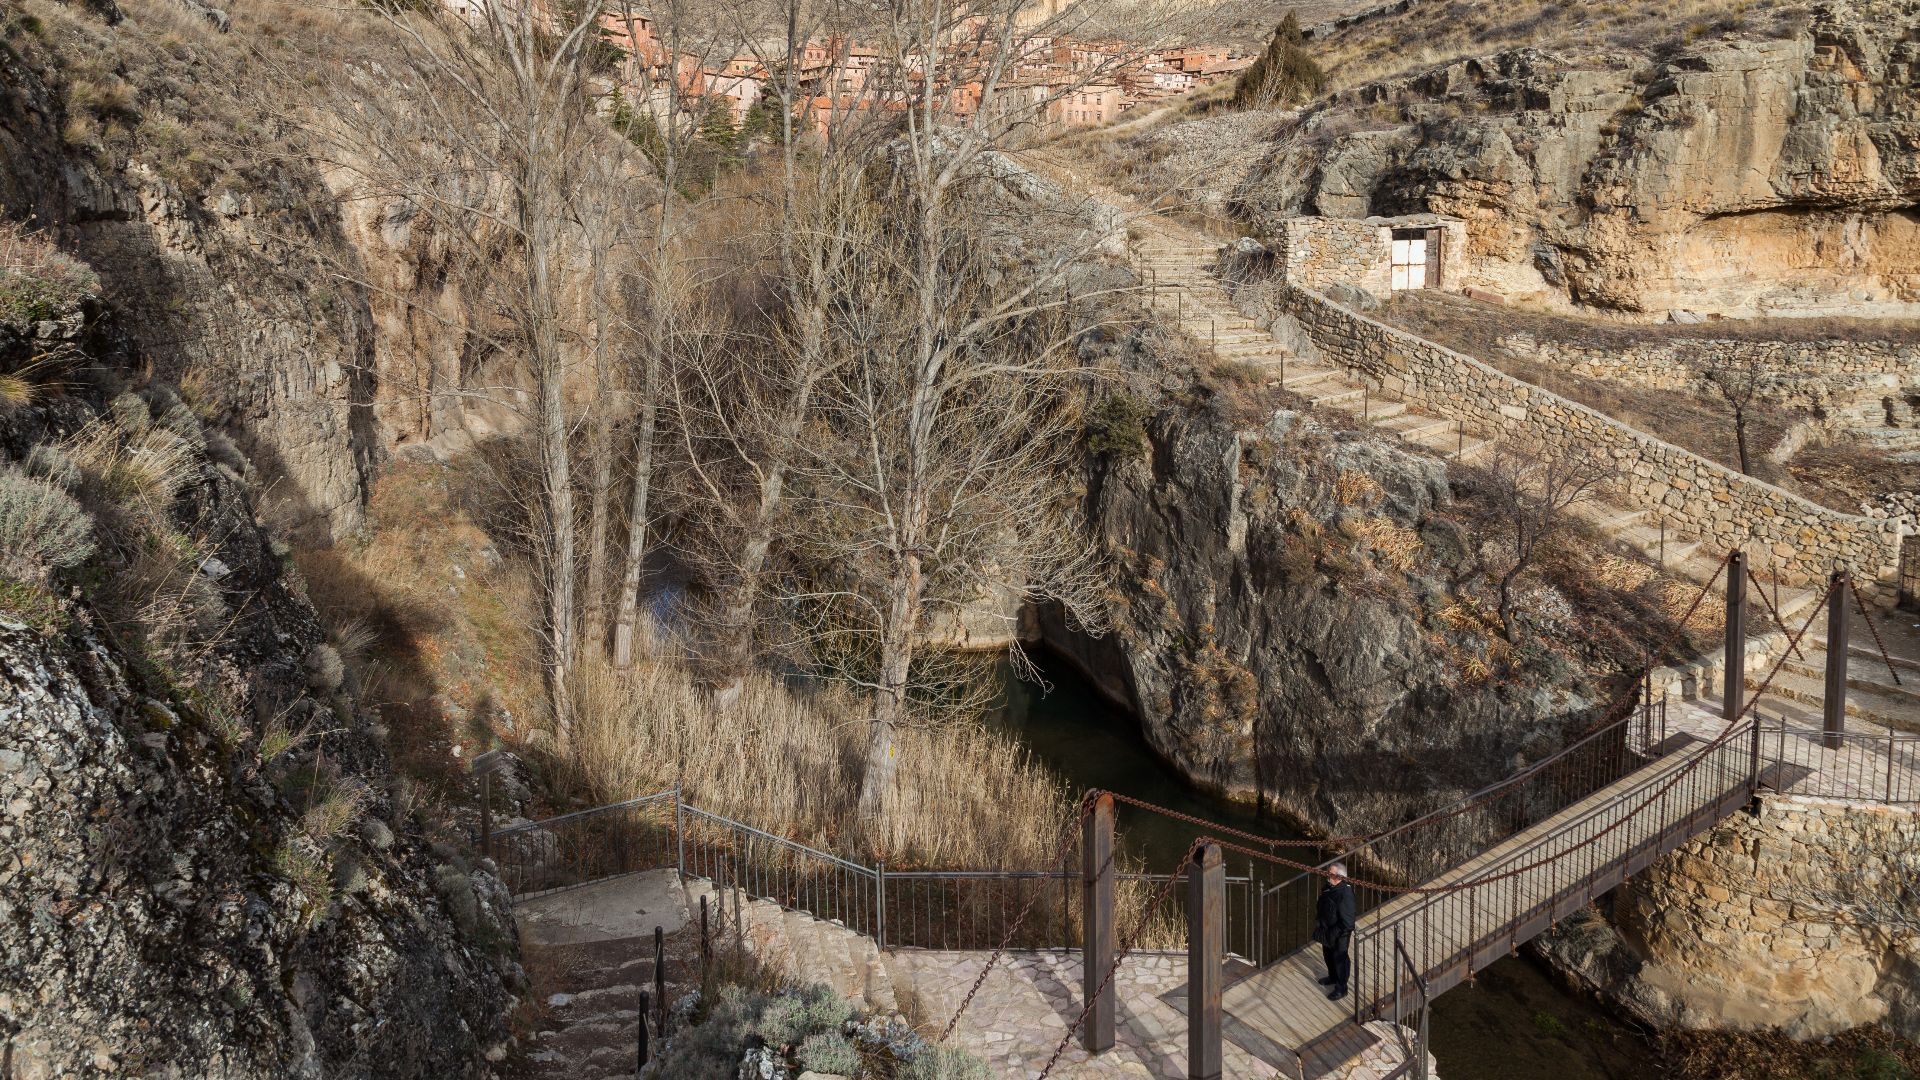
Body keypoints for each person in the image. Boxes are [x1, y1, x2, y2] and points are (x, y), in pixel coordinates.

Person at [1312, 862, 1356, 1001]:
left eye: (1331, 874)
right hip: (1327, 928)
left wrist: (1334, 933)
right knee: (1328, 955)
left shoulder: (1345, 894)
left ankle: (1341, 988)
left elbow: (1348, 922)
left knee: (1340, 958)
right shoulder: (1329, 887)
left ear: (1340, 877)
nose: (1328, 876)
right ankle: (1332, 977)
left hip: (1339, 933)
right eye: (1328, 873)